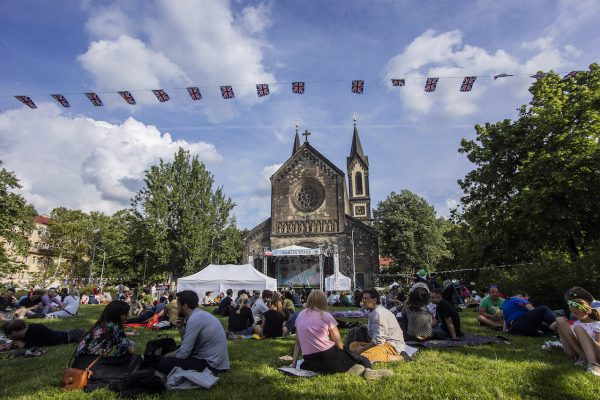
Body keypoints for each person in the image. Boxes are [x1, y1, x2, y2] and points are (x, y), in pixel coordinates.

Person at [292, 290, 392, 380]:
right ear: (323, 301)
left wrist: (293, 365)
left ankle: (352, 368)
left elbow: (298, 343)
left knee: (327, 365)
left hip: (309, 359)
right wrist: (345, 353)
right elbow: (339, 344)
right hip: (327, 354)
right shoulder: (325, 315)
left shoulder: (300, 315)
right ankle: (370, 371)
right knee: (360, 358)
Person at [157, 290, 230, 375]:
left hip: (212, 365)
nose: (177, 308)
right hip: (216, 361)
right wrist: (181, 328)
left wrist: (168, 356)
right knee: (173, 350)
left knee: (164, 363)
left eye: (178, 305)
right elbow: (187, 345)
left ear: (185, 305)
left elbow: (183, 354)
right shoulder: (198, 315)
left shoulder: (194, 319)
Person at [349, 288, 414, 363]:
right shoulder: (374, 311)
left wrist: (362, 349)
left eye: (366, 298)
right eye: (363, 298)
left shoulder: (379, 314)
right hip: (381, 343)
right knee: (353, 345)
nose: (363, 301)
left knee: (365, 356)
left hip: (391, 345)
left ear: (375, 300)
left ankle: (401, 358)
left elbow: (379, 341)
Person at [1, 319, 85, 350]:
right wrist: (10, 344)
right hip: (68, 332)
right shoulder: (27, 330)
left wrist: (16, 342)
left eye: (8, 336)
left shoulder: (34, 330)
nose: (9, 338)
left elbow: (30, 347)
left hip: (74, 335)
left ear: (13, 332)